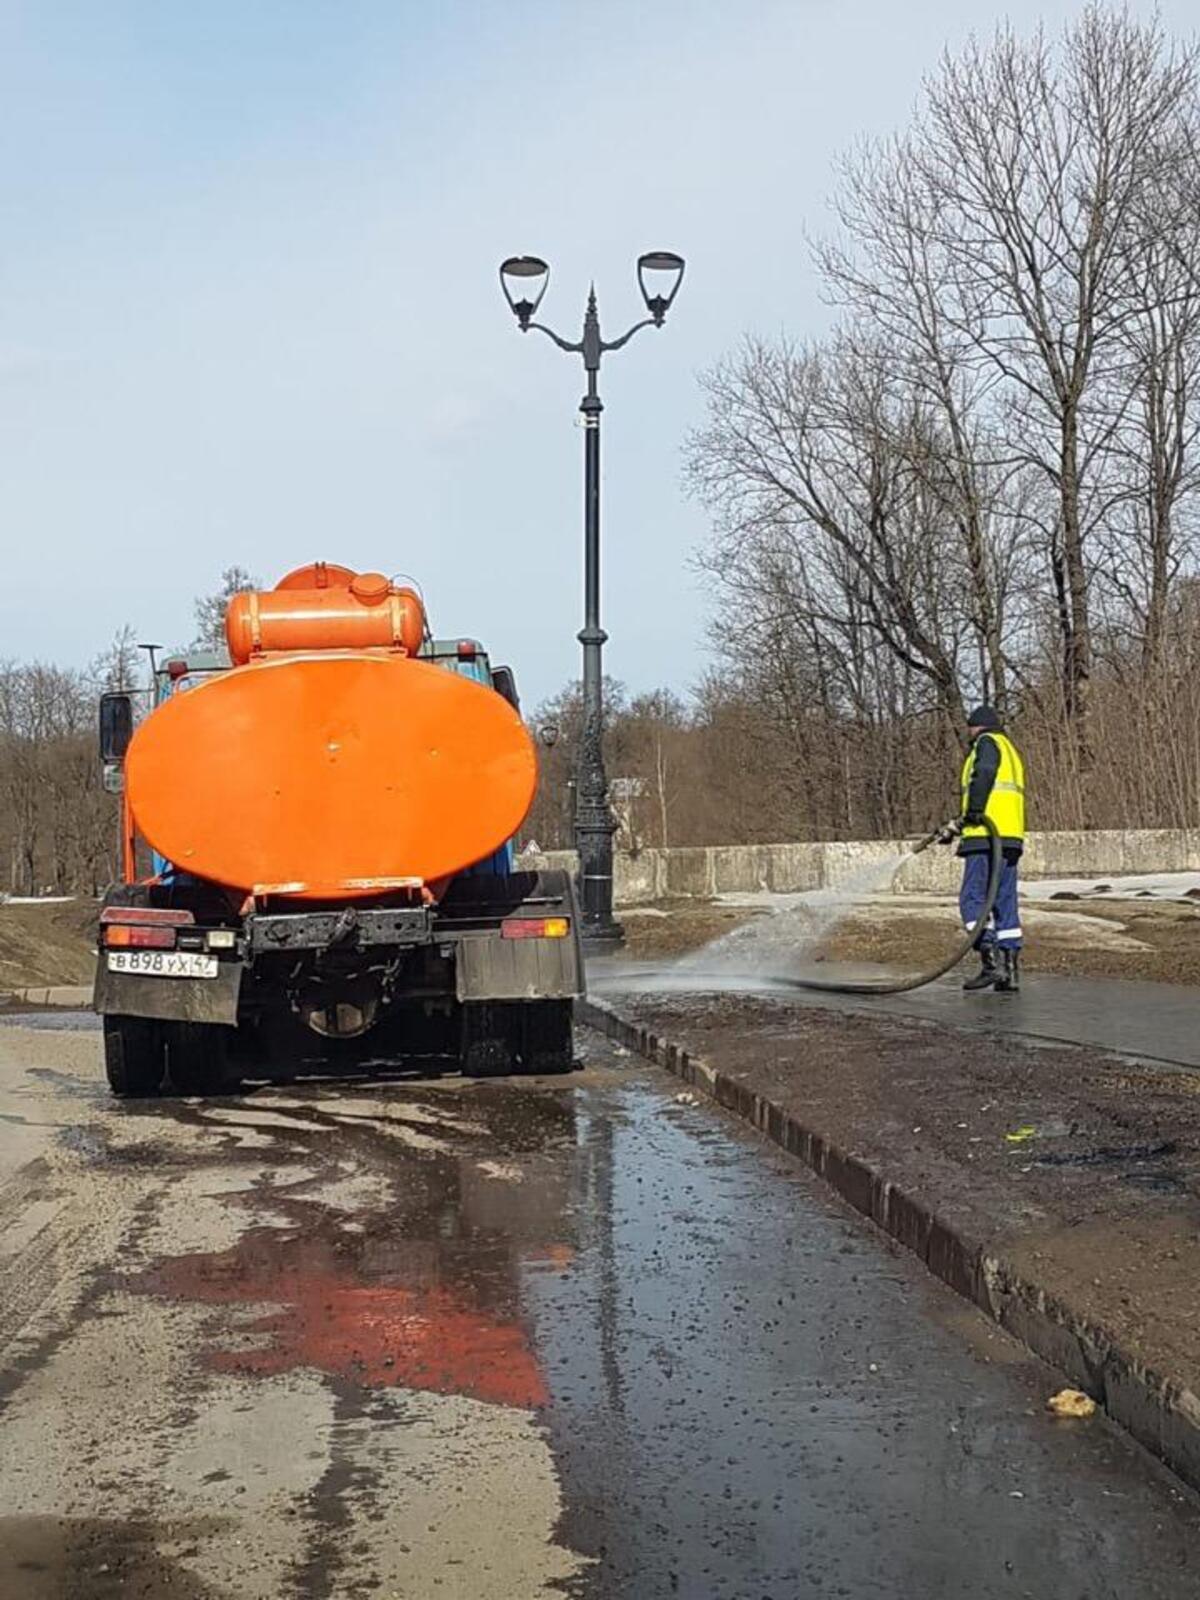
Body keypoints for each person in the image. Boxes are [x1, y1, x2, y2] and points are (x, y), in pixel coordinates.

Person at [958, 705, 1026, 993]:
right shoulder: (1010, 748)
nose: (968, 734)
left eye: (969, 728)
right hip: (1010, 836)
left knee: (972, 898)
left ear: (977, 727)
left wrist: (974, 810)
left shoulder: (986, 744)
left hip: (986, 834)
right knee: (1004, 901)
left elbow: (984, 772)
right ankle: (1010, 971)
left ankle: (990, 961)